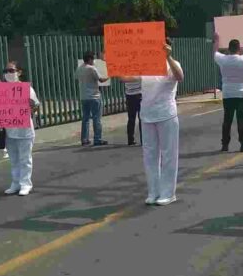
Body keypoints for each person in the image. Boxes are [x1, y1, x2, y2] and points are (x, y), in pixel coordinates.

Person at [122, 39, 184, 206]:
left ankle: (168, 193)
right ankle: (153, 192)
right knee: (150, 156)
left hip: (166, 115)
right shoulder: (146, 66)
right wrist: (114, 62)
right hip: (147, 116)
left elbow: (180, 77)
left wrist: (169, 57)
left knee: (169, 155)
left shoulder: (172, 64)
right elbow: (126, 78)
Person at [213, 31, 243, 153]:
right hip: (242, 94)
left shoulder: (223, 59)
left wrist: (217, 39)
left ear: (228, 49)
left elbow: (214, 52)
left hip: (228, 93)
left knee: (227, 120)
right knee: (242, 120)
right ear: (239, 49)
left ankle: (225, 144)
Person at [2, 61, 40, 197]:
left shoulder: (27, 89)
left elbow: (35, 106)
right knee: (14, 160)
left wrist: (31, 106)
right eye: (6, 71)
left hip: (24, 130)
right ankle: (16, 182)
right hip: (8, 130)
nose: (8, 73)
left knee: (25, 159)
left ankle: (25, 184)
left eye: (11, 71)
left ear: (19, 72)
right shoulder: (0, 91)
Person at [77, 51, 109, 147]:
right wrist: (109, 75)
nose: (94, 61)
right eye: (93, 59)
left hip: (84, 96)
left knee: (85, 118)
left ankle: (84, 139)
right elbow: (101, 80)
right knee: (96, 118)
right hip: (94, 96)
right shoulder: (92, 69)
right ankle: (97, 139)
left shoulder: (79, 68)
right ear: (90, 59)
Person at [125, 78, 143, 146]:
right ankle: (143, 140)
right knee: (141, 118)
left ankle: (130, 140)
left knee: (131, 118)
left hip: (129, 94)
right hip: (139, 93)